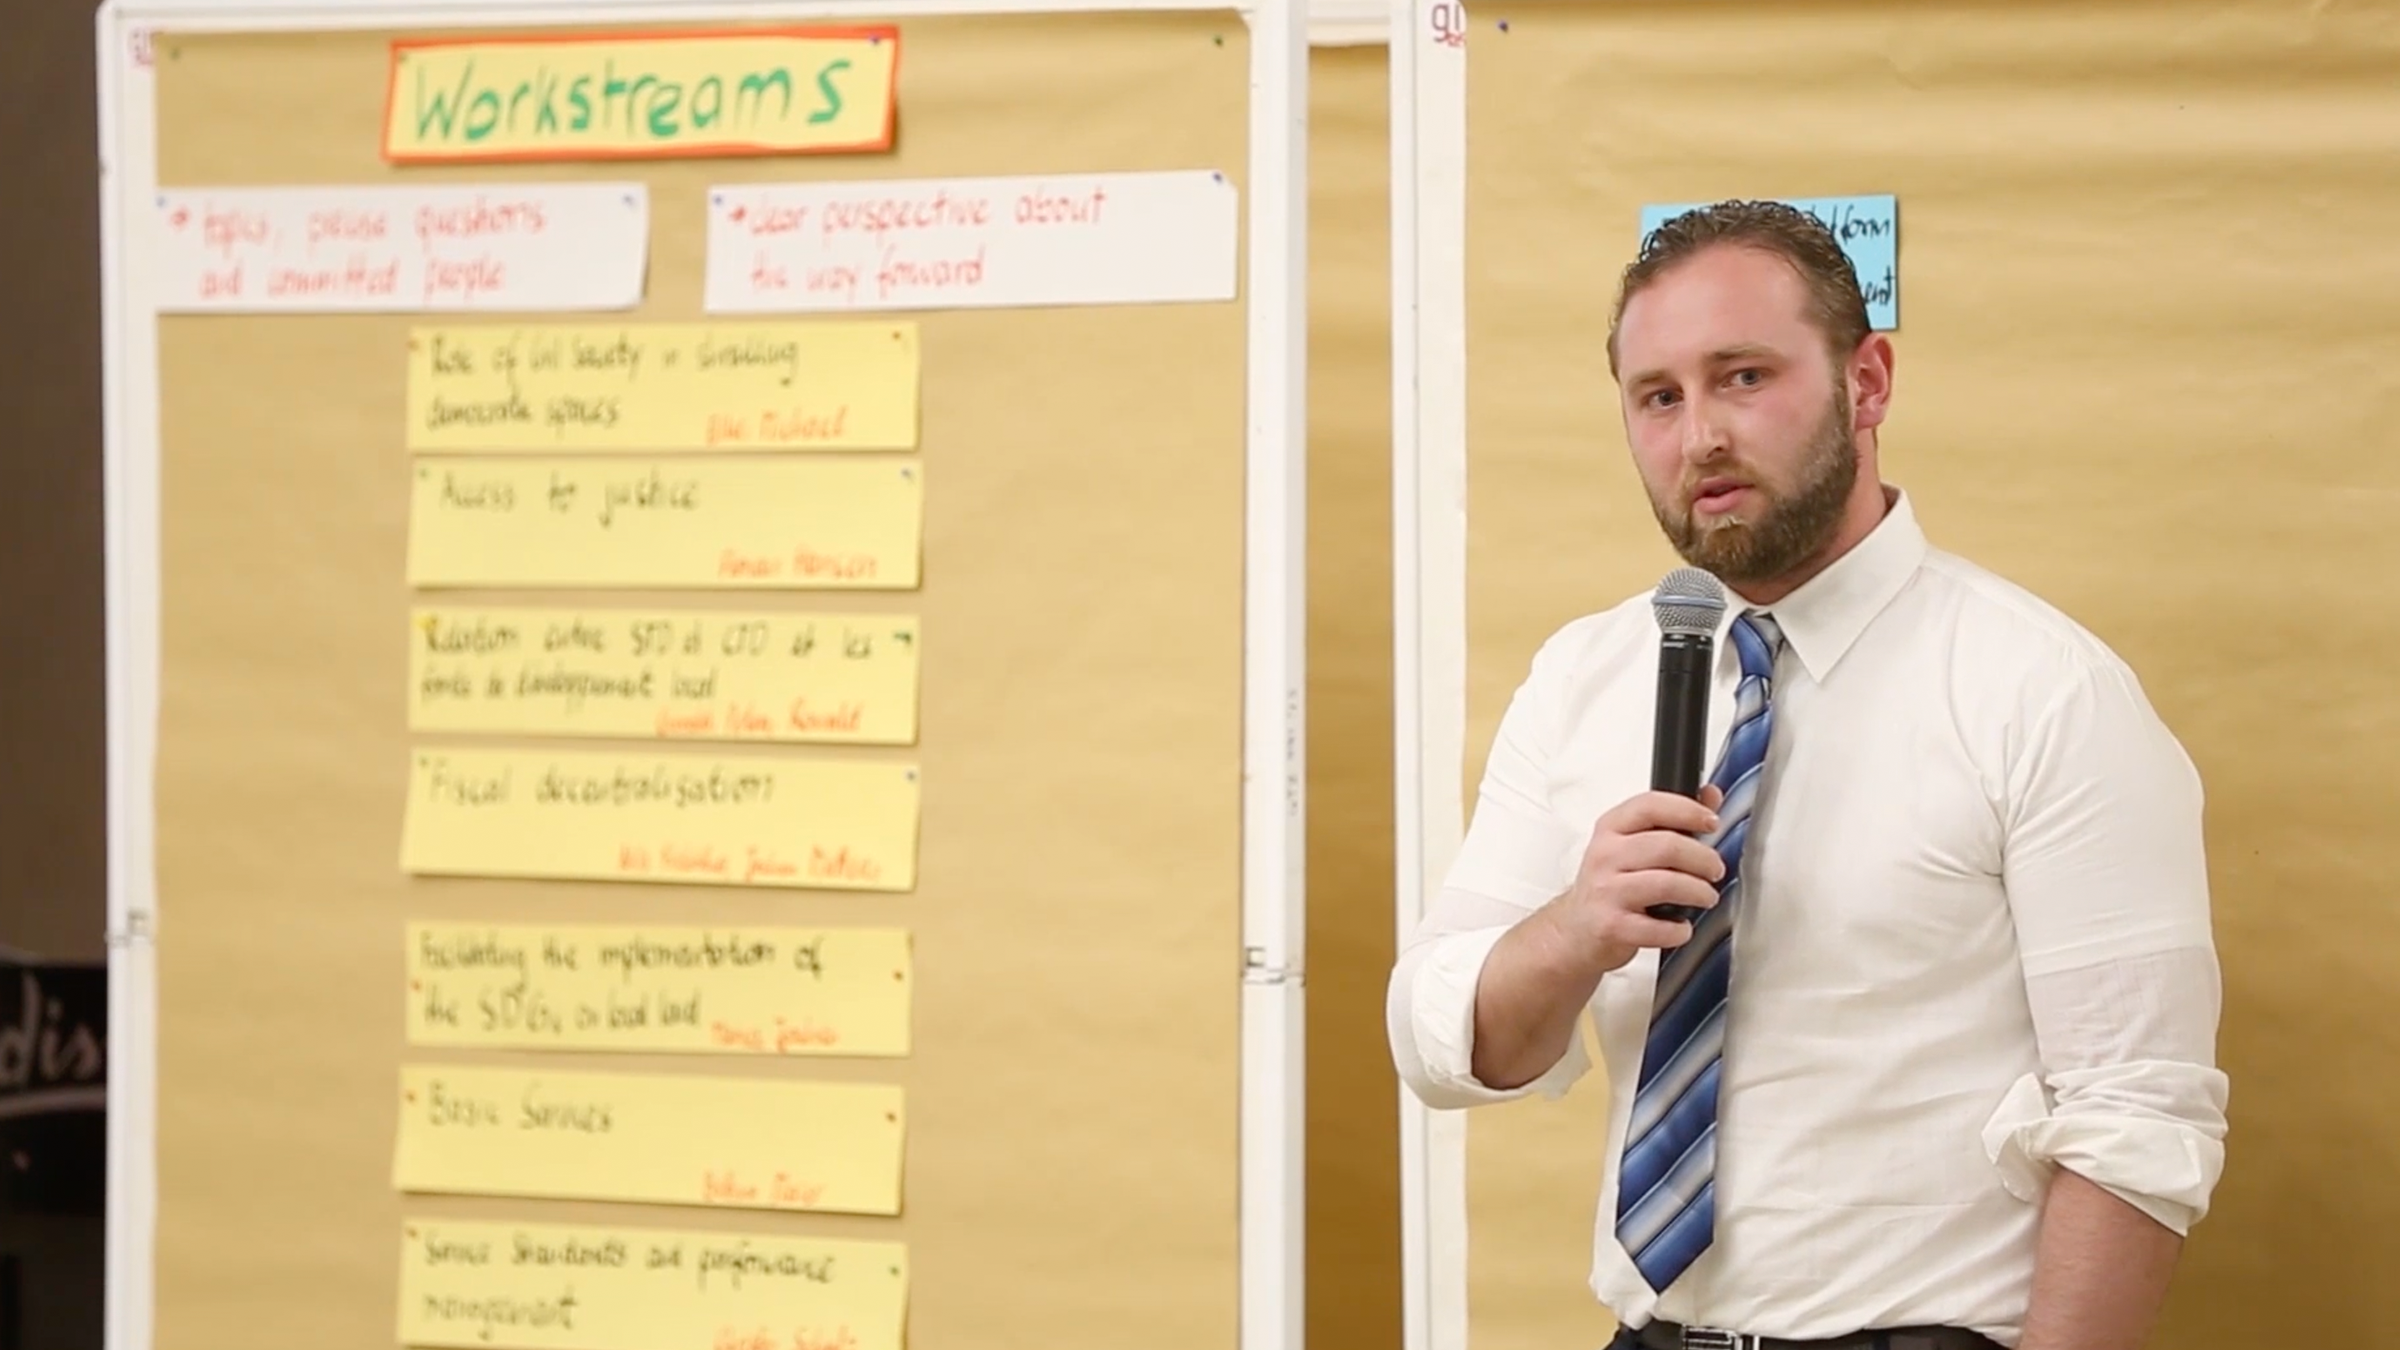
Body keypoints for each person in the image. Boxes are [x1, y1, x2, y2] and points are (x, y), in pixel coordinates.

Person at [1385, 200, 2229, 1350]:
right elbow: (1438, 1042)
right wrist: (1574, 930)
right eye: (1658, 397)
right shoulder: (1584, 676)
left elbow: (2137, 1122)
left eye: (1743, 377)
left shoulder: (2045, 691)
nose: (1700, 438)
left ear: (1866, 383)